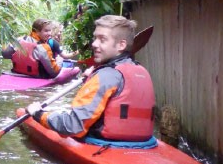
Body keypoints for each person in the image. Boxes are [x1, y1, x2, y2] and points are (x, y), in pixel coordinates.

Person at [26, 15, 155, 142]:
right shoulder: (141, 71)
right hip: (144, 143)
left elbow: (73, 126)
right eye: (95, 38)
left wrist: (38, 114)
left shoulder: (104, 76)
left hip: (104, 146)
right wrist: (91, 78)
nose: (94, 44)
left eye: (102, 39)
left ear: (121, 45)